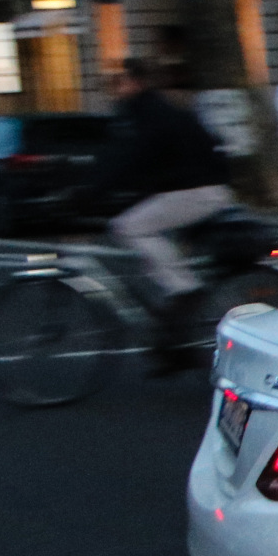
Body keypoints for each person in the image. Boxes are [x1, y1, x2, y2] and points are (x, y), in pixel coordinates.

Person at [102, 59, 234, 365]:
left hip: (200, 191)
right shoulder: (148, 110)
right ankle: (176, 331)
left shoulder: (149, 113)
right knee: (146, 232)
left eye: (118, 82)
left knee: (130, 227)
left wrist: (94, 191)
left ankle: (184, 288)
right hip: (194, 188)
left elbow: (133, 158)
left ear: (135, 82)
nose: (114, 90)